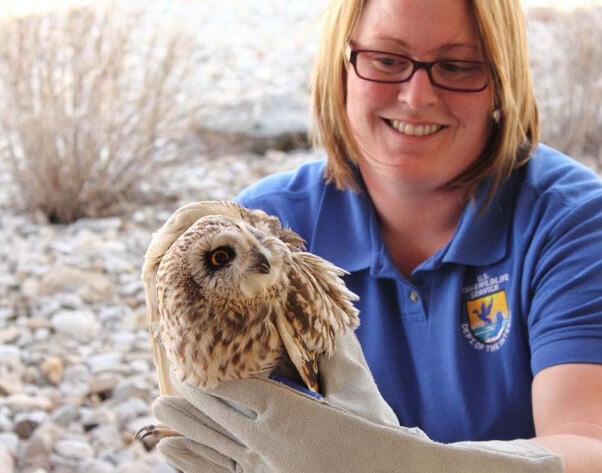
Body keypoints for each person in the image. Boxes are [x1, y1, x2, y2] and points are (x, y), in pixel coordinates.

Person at [152, 0, 602, 471]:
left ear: (501, 79)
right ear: (340, 66)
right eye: (387, 60)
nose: (416, 96)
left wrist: (411, 466)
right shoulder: (261, 230)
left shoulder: (571, 222)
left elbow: (586, 442)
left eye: (457, 66)